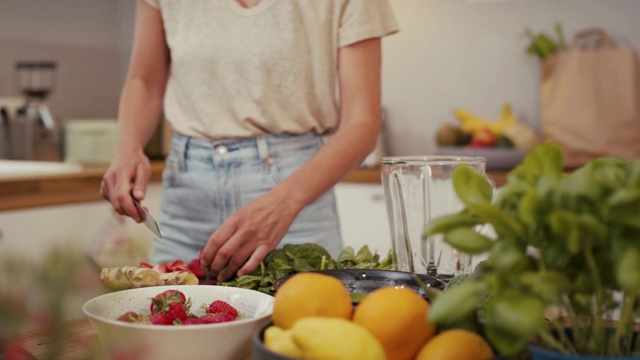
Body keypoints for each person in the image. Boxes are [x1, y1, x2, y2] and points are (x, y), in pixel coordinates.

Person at [100, 0, 399, 282]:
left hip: (296, 190)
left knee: (307, 324)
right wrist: (127, 146)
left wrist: (285, 201)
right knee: (166, 325)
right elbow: (144, 82)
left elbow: (362, 122)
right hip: (186, 196)